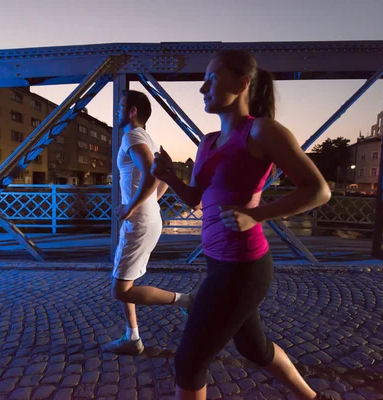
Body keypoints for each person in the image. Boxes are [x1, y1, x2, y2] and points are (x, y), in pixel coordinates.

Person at [151, 51, 333, 399]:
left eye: (213, 78)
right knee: (255, 348)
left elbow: (318, 190)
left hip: (244, 268)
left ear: (243, 83)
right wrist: (170, 178)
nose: (202, 88)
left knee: (189, 363)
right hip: (218, 261)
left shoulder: (262, 130)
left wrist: (257, 214)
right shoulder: (207, 142)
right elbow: (197, 200)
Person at [103, 90, 193, 355]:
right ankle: (132, 338)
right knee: (124, 280)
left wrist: (132, 207)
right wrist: (149, 201)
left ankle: (187, 300)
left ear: (132, 112)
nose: (118, 112)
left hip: (139, 221)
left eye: (121, 108)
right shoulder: (148, 139)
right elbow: (161, 177)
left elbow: (154, 178)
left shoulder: (133, 136)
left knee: (120, 290)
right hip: (146, 218)